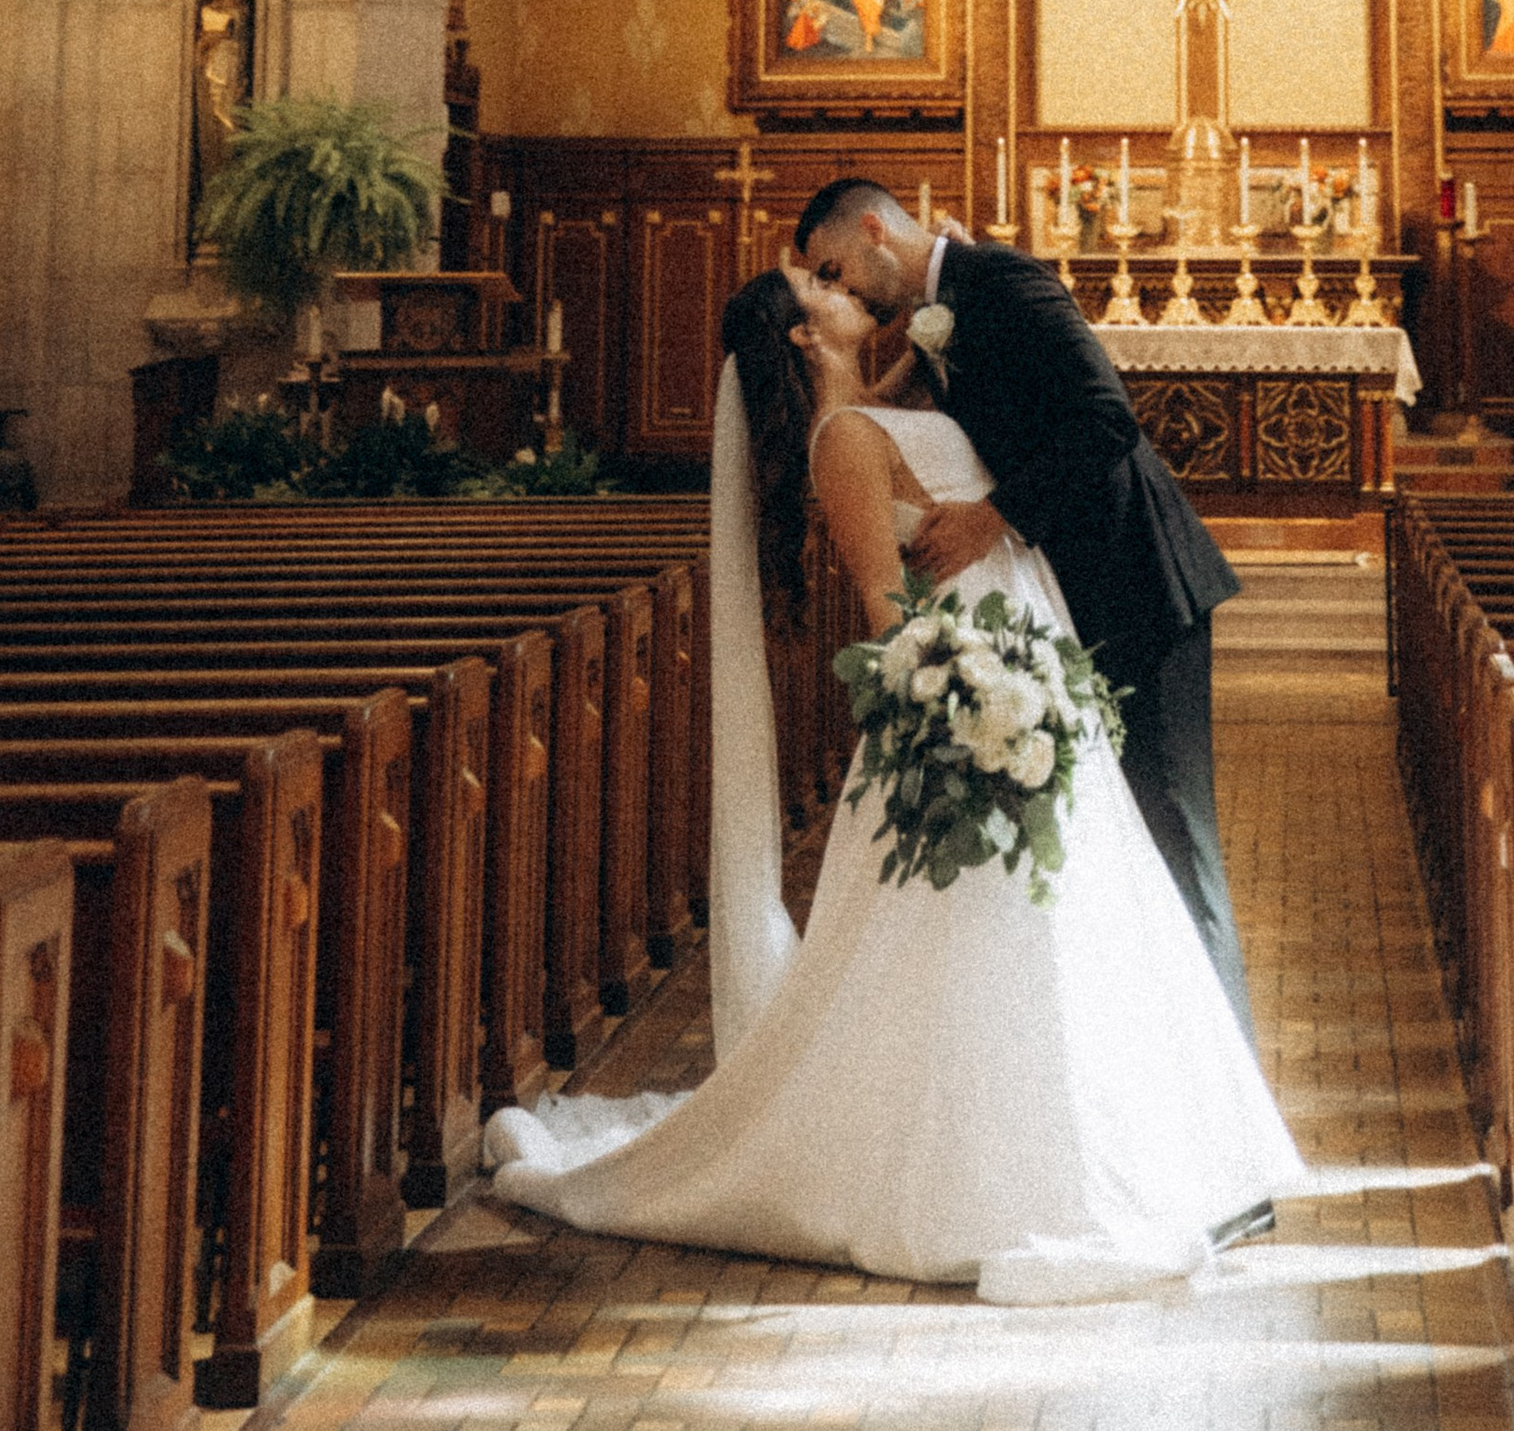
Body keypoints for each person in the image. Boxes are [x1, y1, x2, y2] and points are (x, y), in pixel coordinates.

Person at [483, 263, 1297, 1295]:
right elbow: (885, 606)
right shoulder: (844, 440)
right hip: (972, 699)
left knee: (1076, 915)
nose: (830, 282)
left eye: (826, 265)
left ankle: (1088, 1138)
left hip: (1025, 673)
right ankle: (985, 1171)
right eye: (813, 286)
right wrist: (958, 713)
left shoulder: (894, 399)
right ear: (799, 336)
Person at [794, 177, 1257, 1040]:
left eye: (838, 269)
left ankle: (1234, 1130)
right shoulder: (944, 301)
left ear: (872, 231)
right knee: (1124, 859)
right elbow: (878, 421)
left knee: (1178, 852)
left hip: (1141, 588)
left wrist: (991, 519)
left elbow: (1106, 421)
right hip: (1074, 605)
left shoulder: (1001, 283)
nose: (843, 290)